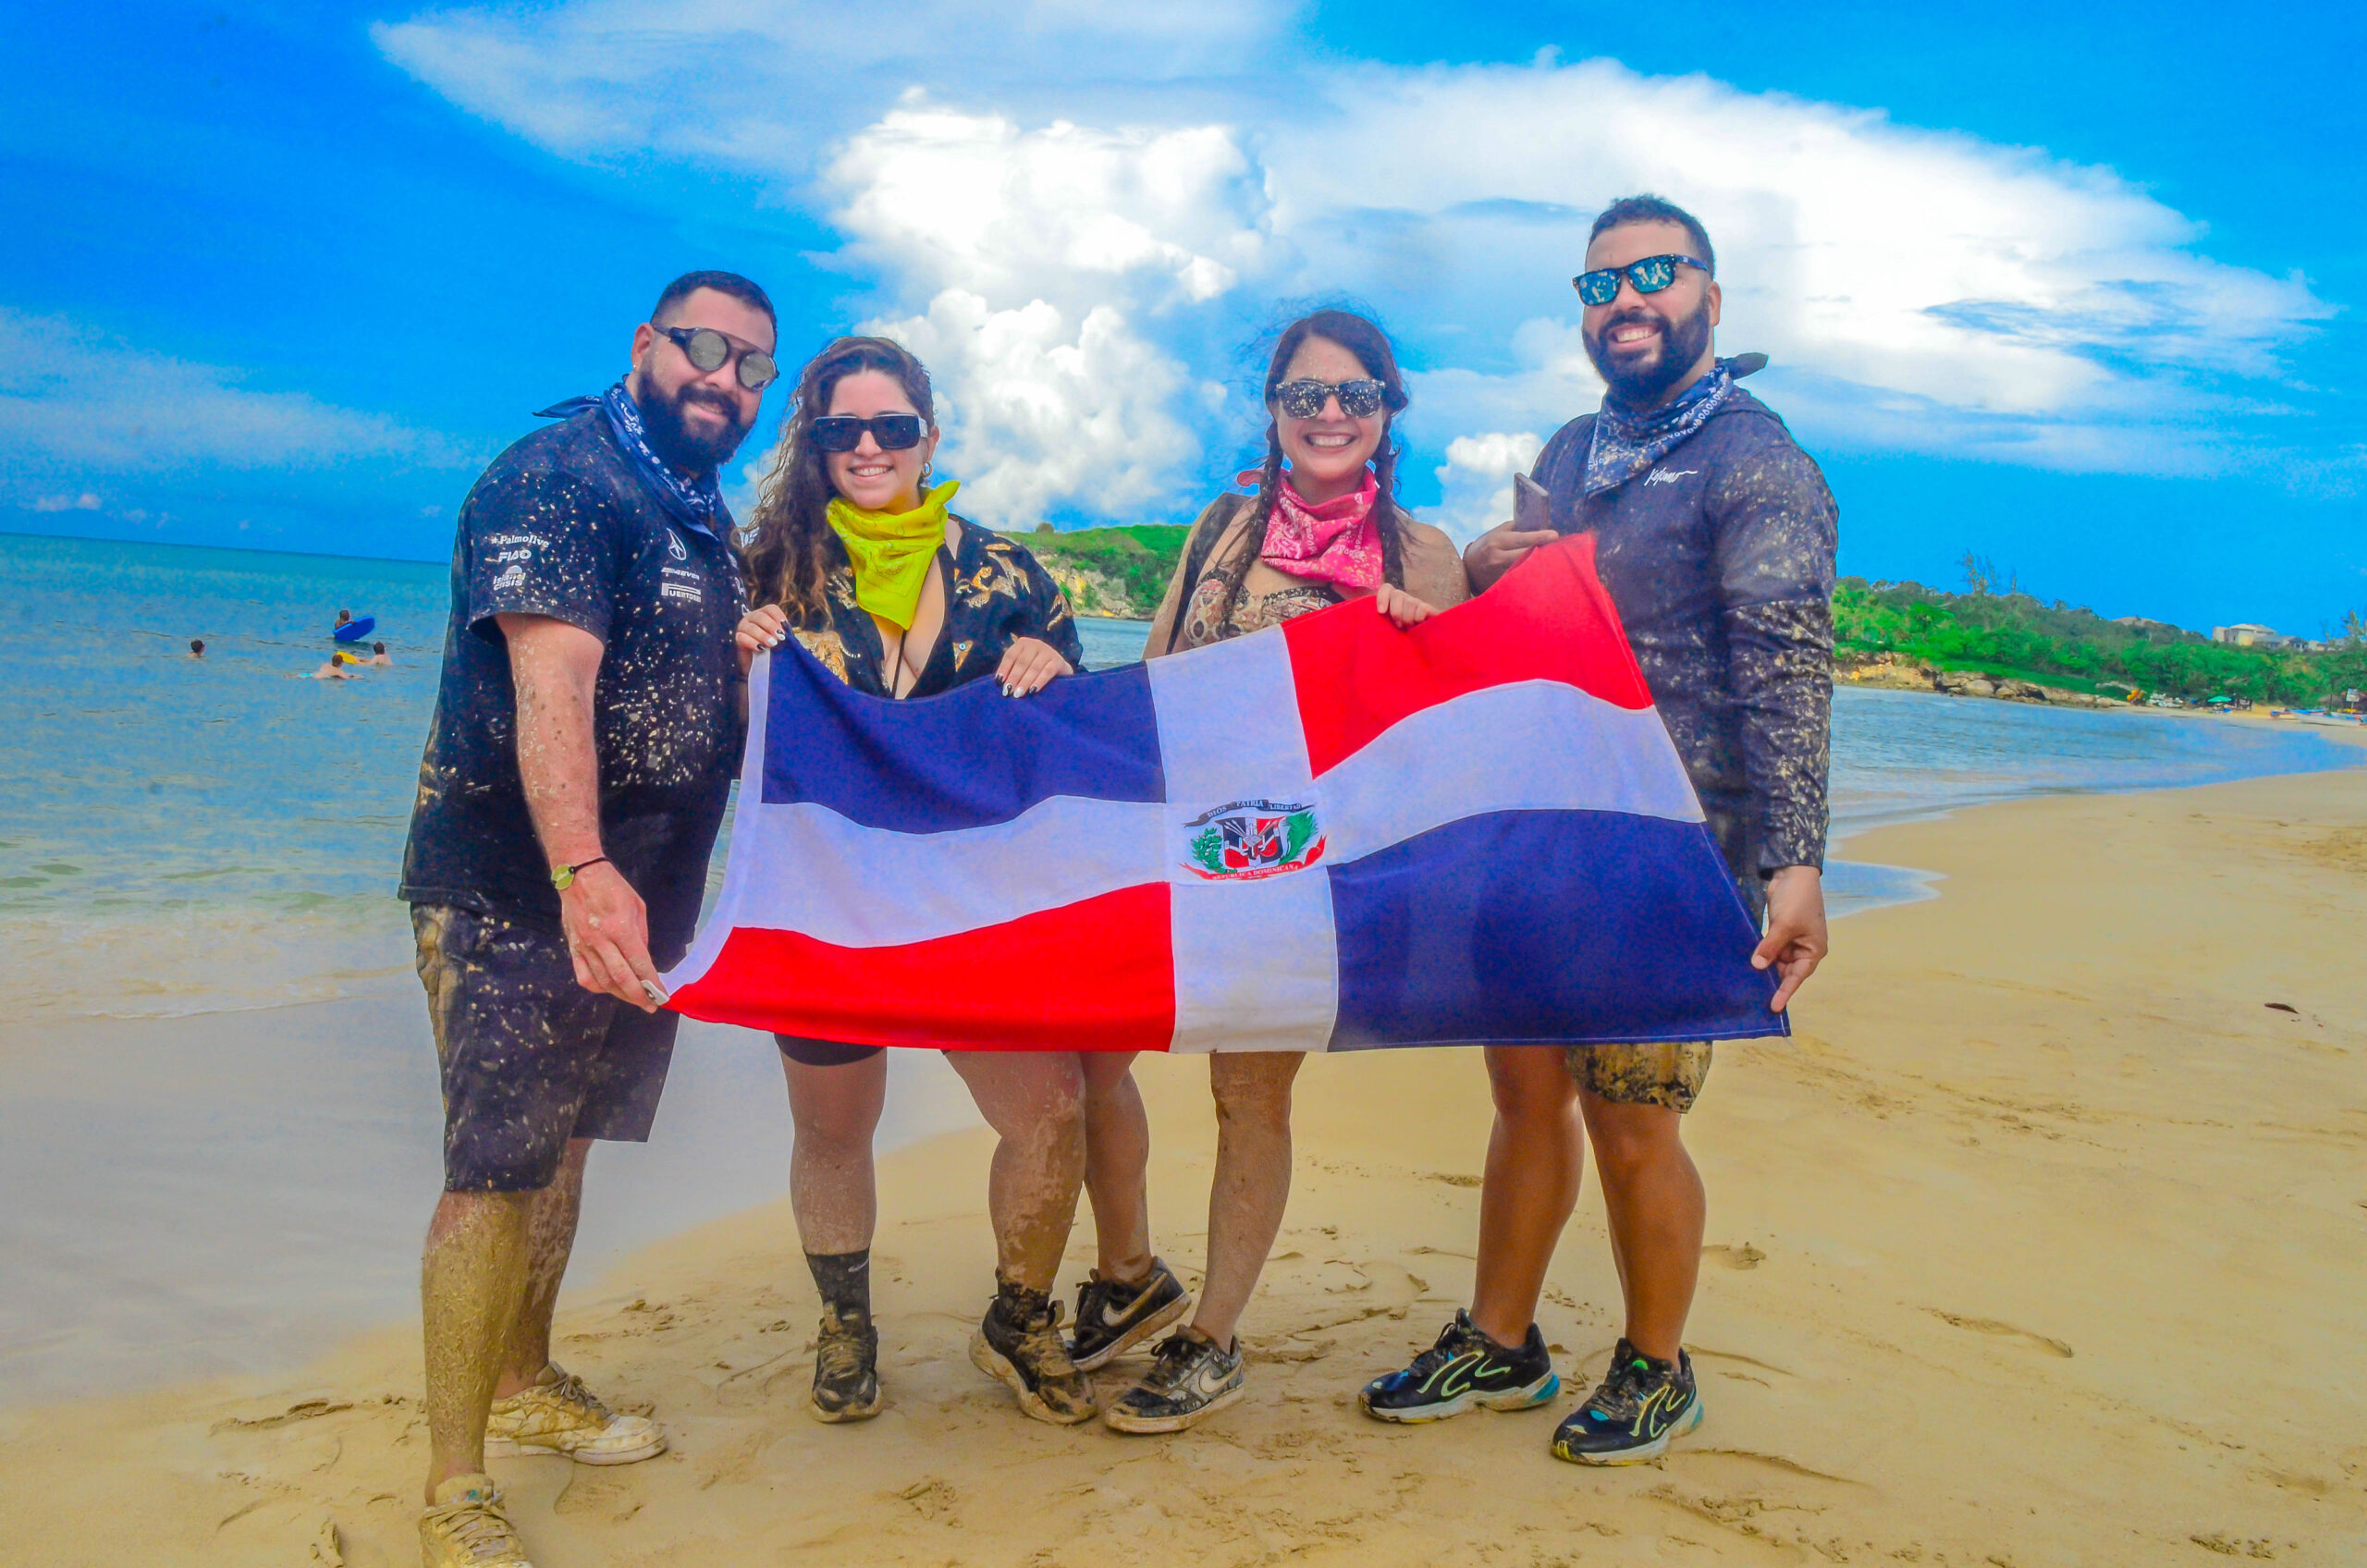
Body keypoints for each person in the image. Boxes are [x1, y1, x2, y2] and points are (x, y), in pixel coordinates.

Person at [1357, 195, 1835, 1466]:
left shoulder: (1758, 464)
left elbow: (1785, 670)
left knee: (1632, 1120)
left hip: (1672, 854)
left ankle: (1657, 1366)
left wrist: (1794, 866)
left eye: (1655, 274)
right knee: (1523, 1093)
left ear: (1710, 299)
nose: (1625, 300)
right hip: (1542, 833)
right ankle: (1500, 1340)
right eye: (1600, 282)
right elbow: (1524, 633)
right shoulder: (1572, 451)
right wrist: (1482, 569)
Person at [399, 269, 777, 1568]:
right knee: (493, 1172)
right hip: (519, 889)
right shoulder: (559, 477)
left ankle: (523, 1382)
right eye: (704, 349)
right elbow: (550, 677)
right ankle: (456, 1487)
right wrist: (579, 867)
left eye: (752, 366)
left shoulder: (698, 512)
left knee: (560, 1151)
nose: (725, 379)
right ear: (644, 344)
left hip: (634, 895)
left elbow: (687, 694)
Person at [731, 336, 1180, 1430]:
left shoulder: (1009, 573)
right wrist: (740, 663)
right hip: (828, 901)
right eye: (842, 429)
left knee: (1049, 1111)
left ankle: (1017, 1317)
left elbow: (1076, 748)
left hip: (975, 904)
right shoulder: (770, 572)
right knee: (833, 1128)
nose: (868, 446)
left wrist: (1055, 667)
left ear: (928, 437)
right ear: (815, 443)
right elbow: (733, 748)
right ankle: (846, 1324)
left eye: (892, 426)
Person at [1090, 308, 1466, 1435]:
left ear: (1389, 411)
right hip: (1178, 847)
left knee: (1246, 1095)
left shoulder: (1423, 555)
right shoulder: (1221, 526)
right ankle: (1127, 1272)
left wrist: (1414, 643)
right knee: (1086, 1051)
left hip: (1300, 876)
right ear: (1273, 409)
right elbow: (1155, 675)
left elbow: (1447, 739)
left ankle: (1211, 1335)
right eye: (1306, 394)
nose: (1330, 414)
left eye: (1356, 395)